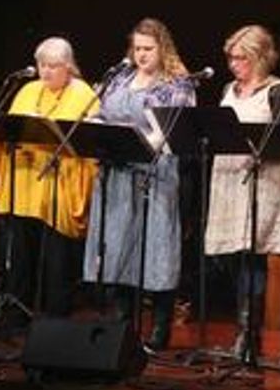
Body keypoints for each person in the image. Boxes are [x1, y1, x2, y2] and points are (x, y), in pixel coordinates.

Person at [83, 19, 196, 350]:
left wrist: (142, 142)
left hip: (154, 172)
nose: (142, 55)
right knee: (118, 243)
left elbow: (172, 128)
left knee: (156, 246)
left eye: (148, 49)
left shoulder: (176, 84)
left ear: (163, 49)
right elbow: (102, 112)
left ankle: (160, 328)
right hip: (116, 171)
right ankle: (121, 323)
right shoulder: (120, 77)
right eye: (137, 49)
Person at [204, 24, 280, 359]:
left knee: (252, 256)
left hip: (262, 181)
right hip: (227, 180)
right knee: (230, 255)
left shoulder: (279, 90)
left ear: (258, 58)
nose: (234, 65)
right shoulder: (229, 88)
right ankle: (243, 330)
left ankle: (248, 335)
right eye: (231, 58)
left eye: (240, 58)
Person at [0, 36, 100, 319]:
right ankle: (17, 312)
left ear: (68, 66)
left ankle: (55, 315)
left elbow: (89, 144)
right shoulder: (28, 90)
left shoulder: (83, 93)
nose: (46, 71)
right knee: (20, 253)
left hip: (59, 184)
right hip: (25, 181)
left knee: (56, 257)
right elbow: (8, 130)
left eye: (53, 65)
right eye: (42, 65)